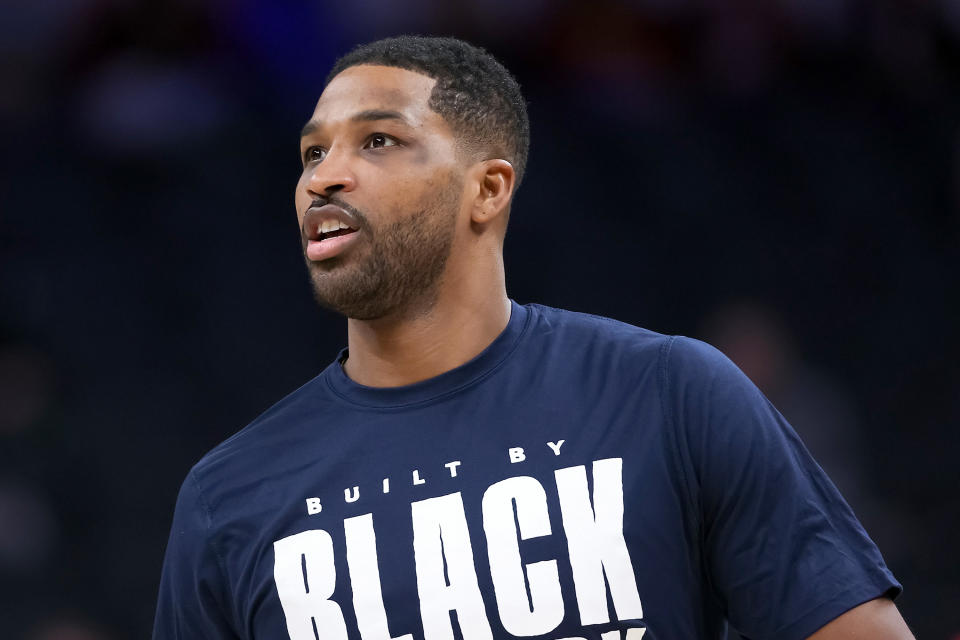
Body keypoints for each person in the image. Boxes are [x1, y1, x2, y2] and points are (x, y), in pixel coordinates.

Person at [153, 36, 912, 640]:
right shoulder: (228, 498)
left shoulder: (670, 394)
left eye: (378, 141)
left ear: (488, 189)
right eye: (313, 152)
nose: (324, 177)